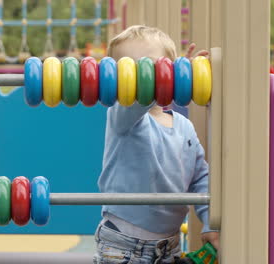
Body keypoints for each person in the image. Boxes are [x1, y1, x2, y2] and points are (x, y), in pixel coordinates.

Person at [94, 25, 220, 264]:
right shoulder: (122, 118)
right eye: (129, 69)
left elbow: (201, 179)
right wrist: (169, 77)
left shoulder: (184, 127)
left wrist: (209, 223)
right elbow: (142, 97)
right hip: (122, 244)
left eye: (151, 67)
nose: (143, 76)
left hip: (169, 244)